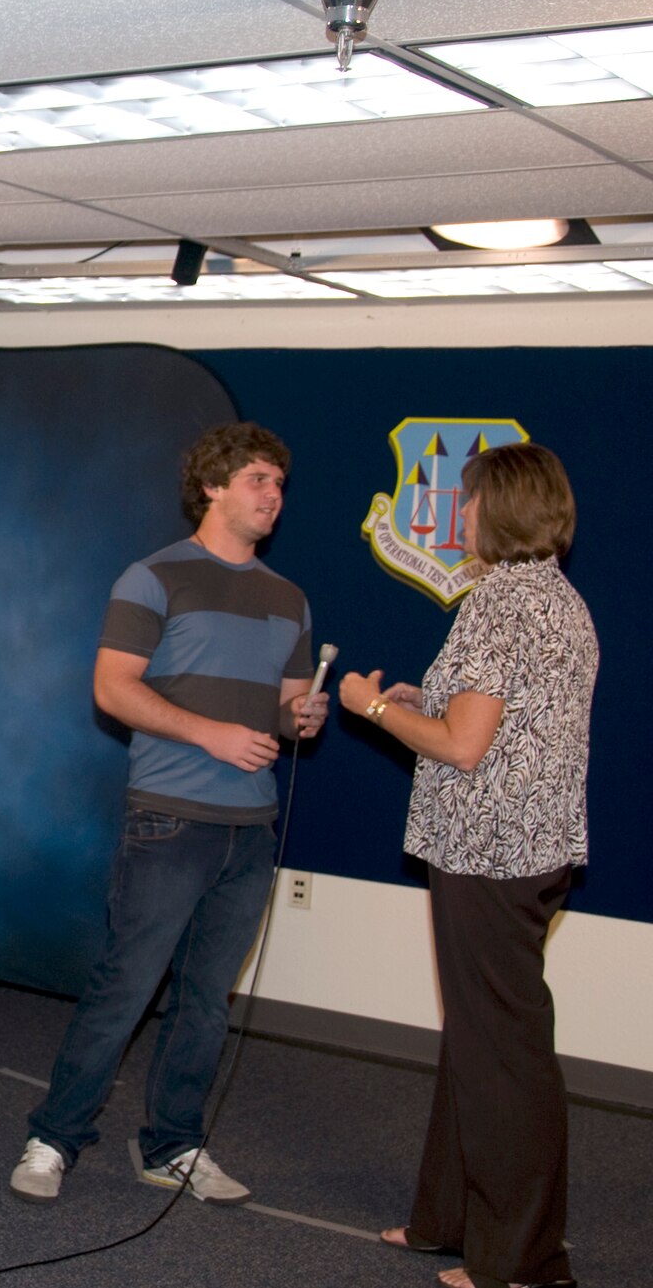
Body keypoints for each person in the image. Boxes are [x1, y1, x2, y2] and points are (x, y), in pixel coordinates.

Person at [10, 421, 327, 1206]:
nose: (273, 496)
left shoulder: (288, 599)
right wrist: (208, 732)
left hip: (248, 829)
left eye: (280, 485)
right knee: (126, 986)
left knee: (206, 1001)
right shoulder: (153, 577)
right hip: (169, 819)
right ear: (213, 485)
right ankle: (53, 1136)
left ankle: (174, 1143)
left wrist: (303, 717)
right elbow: (113, 688)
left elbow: (287, 709)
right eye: (258, 479)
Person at [339, 441, 594, 1288]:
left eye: (471, 500)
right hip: (531, 851)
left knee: (502, 1055)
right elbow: (496, 720)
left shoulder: (499, 604)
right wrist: (424, 698)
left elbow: (462, 746)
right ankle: (446, 1220)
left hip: (490, 856)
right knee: (483, 1043)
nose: (462, 515)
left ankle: (521, 1260)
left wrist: (371, 705)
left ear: (501, 508)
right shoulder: (556, 599)